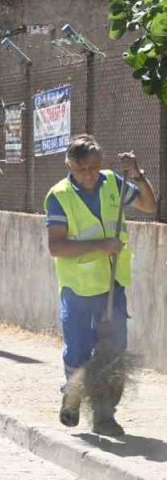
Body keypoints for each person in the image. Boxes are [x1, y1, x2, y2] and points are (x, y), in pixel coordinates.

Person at [45, 135, 157, 436]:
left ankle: (105, 415)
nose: (90, 175)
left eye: (94, 167)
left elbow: (149, 204)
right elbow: (56, 247)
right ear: (70, 166)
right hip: (78, 289)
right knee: (79, 352)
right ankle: (72, 396)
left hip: (112, 285)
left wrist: (137, 174)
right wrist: (100, 245)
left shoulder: (112, 183)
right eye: (82, 169)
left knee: (113, 352)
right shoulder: (60, 195)